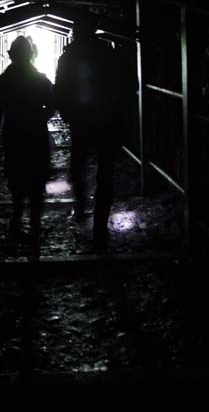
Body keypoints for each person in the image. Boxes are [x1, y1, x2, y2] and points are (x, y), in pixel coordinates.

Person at [54, 20, 127, 252]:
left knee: (78, 166)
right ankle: (99, 226)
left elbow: (61, 88)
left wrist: (67, 114)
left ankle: (81, 206)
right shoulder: (109, 53)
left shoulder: (68, 57)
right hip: (106, 121)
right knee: (105, 173)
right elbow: (125, 85)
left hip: (82, 121)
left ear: (76, 33)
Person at [0, 35, 55, 240]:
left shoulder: (4, 80)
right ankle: (35, 221)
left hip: (13, 133)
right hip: (36, 132)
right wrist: (40, 116)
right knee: (37, 176)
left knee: (16, 174)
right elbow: (52, 105)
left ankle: (16, 216)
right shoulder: (40, 79)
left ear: (11, 55)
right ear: (31, 55)